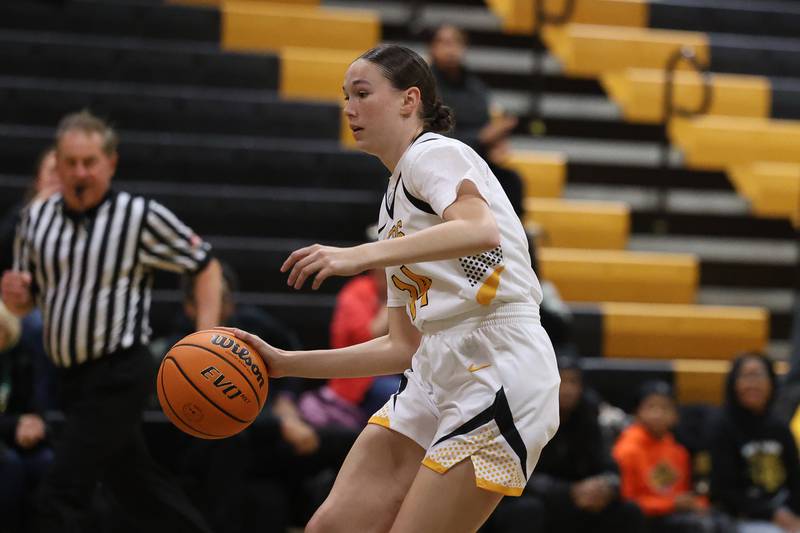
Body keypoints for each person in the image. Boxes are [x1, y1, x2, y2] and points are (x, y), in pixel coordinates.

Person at [222, 43, 560, 533]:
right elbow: (401, 346)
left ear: (409, 100)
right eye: (345, 97)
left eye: (362, 93)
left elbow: (478, 230)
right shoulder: (391, 211)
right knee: (331, 528)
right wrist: (282, 364)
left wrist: (354, 256)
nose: (348, 108)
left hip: (501, 361)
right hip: (434, 369)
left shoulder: (435, 152)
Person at [1, 110, 221, 533]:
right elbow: (30, 300)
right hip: (69, 376)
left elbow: (204, 264)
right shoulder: (35, 219)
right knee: (137, 488)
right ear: (57, 164)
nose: (79, 173)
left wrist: (204, 338)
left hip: (118, 371)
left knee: (59, 495)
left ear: (111, 164)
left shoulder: (138, 216)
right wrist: (19, 299)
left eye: (89, 163)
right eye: (70, 163)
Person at [519, 356, 643, 533]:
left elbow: (610, 467)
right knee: (526, 510)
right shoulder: (528, 416)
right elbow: (521, 475)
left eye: (574, 382)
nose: (568, 389)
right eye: (562, 380)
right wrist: (569, 491)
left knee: (629, 511)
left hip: (583, 497)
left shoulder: (589, 417)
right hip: (546, 498)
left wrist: (605, 485)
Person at [428, 24, 524, 219]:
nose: (450, 49)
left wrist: (496, 144)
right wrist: (481, 138)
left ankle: (506, 238)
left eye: (456, 43)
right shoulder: (427, 84)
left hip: (478, 158)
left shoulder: (475, 86)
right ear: (432, 48)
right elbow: (432, 132)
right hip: (442, 162)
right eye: (444, 43)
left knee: (513, 180)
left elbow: (486, 122)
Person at [710, 353, 800, 533]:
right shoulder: (721, 426)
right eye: (746, 376)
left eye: (759, 375)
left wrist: (791, 512)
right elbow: (724, 491)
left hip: (783, 511)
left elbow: (795, 479)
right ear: (733, 383)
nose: (753, 383)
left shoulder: (779, 427)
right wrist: (773, 515)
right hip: (740, 517)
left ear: (772, 383)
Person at [613, 381, 717, 533]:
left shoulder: (679, 451)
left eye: (665, 407)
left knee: (718, 520)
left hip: (674, 516)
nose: (658, 414)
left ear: (675, 416)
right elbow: (626, 504)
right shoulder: (626, 450)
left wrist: (699, 505)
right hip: (642, 521)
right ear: (636, 413)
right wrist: (670, 504)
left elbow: (685, 495)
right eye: (651, 407)